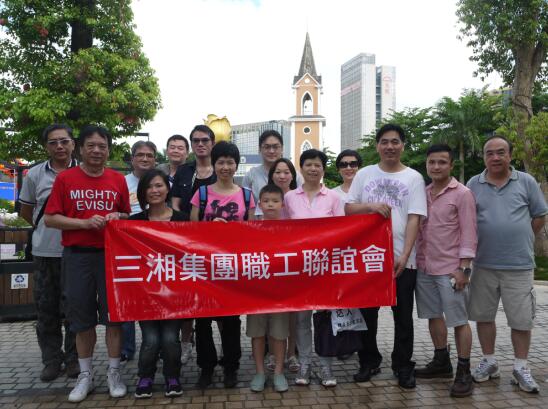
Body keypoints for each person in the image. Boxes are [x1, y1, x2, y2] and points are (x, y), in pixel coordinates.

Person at [44, 125, 130, 403]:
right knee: (81, 320)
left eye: (102, 146)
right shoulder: (65, 179)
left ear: (108, 150)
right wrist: (83, 223)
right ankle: (85, 374)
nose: (96, 151)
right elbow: (50, 218)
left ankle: (114, 372)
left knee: (114, 318)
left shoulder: (117, 179)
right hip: (77, 256)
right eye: (91, 145)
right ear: (80, 149)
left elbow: (127, 214)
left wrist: (118, 216)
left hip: (111, 257)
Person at [346, 123, 427, 389]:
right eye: (384, 142)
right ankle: (369, 361)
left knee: (402, 317)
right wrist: (370, 206)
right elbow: (349, 208)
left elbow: (415, 217)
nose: (389, 146)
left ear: (402, 145)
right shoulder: (364, 174)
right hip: (369, 258)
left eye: (395, 142)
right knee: (367, 315)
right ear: (377, 146)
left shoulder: (414, 178)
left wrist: (405, 254)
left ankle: (403, 366)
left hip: (403, 260)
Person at [467, 135, 547, 393]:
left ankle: (521, 367)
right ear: (483, 157)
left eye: (501, 152)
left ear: (510, 155)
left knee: (521, 320)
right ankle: (489, 362)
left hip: (519, 265)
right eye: (489, 153)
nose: (495, 157)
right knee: (483, 316)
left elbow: (539, 216)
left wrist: (520, 237)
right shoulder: (473, 184)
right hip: (483, 264)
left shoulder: (526, 181)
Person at [190, 141, 255, 389]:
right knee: (203, 321)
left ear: (236, 165)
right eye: (220, 162)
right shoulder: (201, 194)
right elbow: (191, 233)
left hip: (232, 268)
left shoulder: (246, 195)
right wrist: (210, 228)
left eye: (230, 162)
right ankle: (206, 367)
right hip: (204, 268)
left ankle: (231, 366)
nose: (225, 167)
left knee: (231, 320)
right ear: (213, 164)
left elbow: (251, 233)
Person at [414, 144, 477, 397]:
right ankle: (441, 361)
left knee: (459, 320)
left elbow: (470, 232)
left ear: (451, 165)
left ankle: (464, 370)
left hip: (451, 269)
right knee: (433, 315)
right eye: (432, 162)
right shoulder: (422, 193)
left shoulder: (462, 194)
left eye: (442, 162)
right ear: (427, 165)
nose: (436, 166)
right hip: (425, 266)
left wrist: (464, 269)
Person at [18, 124, 79, 382]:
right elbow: (26, 211)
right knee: (46, 309)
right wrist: (45, 229)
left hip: (76, 252)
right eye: (53, 142)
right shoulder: (34, 174)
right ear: (46, 147)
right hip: (45, 252)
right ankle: (52, 360)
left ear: (73, 143)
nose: (59, 146)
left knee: (75, 309)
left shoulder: (84, 172)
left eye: (64, 141)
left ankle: (75, 358)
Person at [284, 149, 344, 387]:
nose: (313, 169)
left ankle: (326, 366)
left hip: (326, 268)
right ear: (301, 168)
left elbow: (342, 231)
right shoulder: (290, 197)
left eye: (317, 165)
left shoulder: (333, 197)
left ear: (323, 169)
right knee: (301, 320)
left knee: (325, 318)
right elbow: (282, 231)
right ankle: (305, 364)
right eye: (308, 164)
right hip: (299, 269)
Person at [130, 169, 188, 399]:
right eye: (149, 187)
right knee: (151, 340)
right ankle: (145, 376)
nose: (154, 191)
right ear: (142, 192)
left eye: (159, 185)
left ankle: (172, 376)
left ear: (167, 189)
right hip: (146, 293)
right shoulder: (133, 222)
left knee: (171, 339)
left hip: (175, 293)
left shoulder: (182, 220)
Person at [171, 125, 217, 366]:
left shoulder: (220, 168)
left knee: (216, 297)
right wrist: (185, 227)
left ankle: (221, 349)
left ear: (212, 143)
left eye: (204, 140)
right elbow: (175, 204)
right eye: (196, 140)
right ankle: (186, 344)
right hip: (187, 241)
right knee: (188, 294)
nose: (200, 144)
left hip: (216, 244)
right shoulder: (184, 171)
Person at [247, 184, 290, 393]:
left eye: (275, 201)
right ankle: (260, 372)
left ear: (283, 204)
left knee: (279, 334)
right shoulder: (250, 229)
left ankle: (279, 372)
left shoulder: (291, 230)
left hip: (281, 293)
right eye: (266, 201)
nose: (270, 205)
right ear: (259, 204)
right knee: (257, 334)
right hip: (256, 292)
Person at [121, 140, 158, 362]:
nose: (145, 159)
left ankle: (156, 345)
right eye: (140, 155)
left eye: (149, 155)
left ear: (155, 159)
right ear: (132, 158)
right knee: (128, 295)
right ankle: (127, 347)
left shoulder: (160, 180)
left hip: (156, 250)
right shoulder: (121, 182)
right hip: (128, 247)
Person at [267, 158, 300, 372]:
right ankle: (272, 354)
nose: (282, 176)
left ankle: (292, 354)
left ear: (293, 175)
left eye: (286, 172)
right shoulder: (266, 197)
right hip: (271, 263)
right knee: (272, 312)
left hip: (294, 262)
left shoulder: (298, 197)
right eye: (277, 172)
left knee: (292, 314)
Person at [242, 130, 284, 218]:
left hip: (288, 225)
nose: (271, 151)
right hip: (259, 224)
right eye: (267, 147)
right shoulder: (251, 175)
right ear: (260, 149)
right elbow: (245, 205)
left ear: (282, 148)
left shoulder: (293, 175)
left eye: (275, 147)